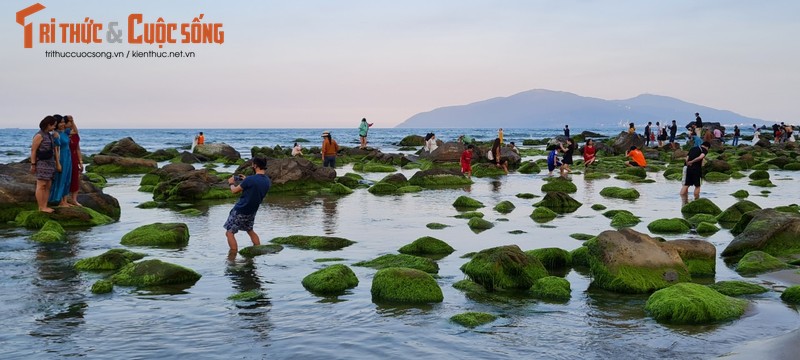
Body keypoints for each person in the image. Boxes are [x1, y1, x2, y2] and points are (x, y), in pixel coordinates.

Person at [224, 157, 271, 258]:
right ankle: (258, 251)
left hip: (240, 209)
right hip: (252, 211)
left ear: (255, 166)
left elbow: (234, 190)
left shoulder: (250, 180)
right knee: (250, 230)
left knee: (229, 233)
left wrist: (231, 182)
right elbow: (256, 185)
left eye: (252, 164)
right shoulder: (267, 181)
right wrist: (246, 180)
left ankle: (232, 257)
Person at [30, 116, 58, 213]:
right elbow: (33, 150)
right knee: (41, 185)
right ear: (48, 124)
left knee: (48, 185)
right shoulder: (39, 135)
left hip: (50, 163)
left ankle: (45, 205)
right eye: (53, 125)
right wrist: (33, 164)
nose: (54, 127)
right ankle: (41, 207)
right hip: (42, 163)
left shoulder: (49, 135)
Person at [49, 115, 72, 207]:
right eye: (61, 122)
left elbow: (75, 130)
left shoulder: (65, 132)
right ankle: (59, 201)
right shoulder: (55, 134)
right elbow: (56, 150)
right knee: (61, 179)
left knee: (67, 178)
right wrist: (57, 163)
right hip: (61, 157)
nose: (63, 124)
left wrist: (71, 120)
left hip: (68, 156)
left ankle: (65, 201)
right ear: (56, 123)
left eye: (64, 122)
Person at [66, 115, 83, 206]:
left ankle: (74, 199)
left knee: (76, 177)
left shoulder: (75, 134)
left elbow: (77, 149)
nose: (70, 123)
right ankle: (65, 198)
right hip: (66, 157)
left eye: (71, 122)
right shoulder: (64, 134)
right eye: (68, 121)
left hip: (74, 157)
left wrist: (80, 161)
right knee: (67, 177)